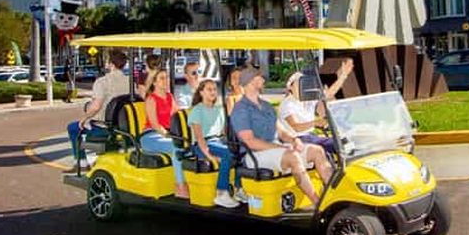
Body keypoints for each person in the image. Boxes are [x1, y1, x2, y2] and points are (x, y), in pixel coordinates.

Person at [231, 67, 332, 206]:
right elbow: (250, 142)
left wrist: (294, 140)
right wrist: (280, 147)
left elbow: (282, 132)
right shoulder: (240, 109)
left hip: (275, 149)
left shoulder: (266, 106)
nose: (263, 80)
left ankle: (333, 195)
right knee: (293, 156)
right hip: (253, 154)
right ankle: (319, 204)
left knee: (317, 151)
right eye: (259, 77)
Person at [66, 50, 129, 172]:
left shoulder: (102, 82)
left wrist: (84, 119)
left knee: (73, 128)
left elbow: (96, 106)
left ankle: (82, 163)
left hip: (104, 128)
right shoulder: (130, 82)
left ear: (111, 64)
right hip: (123, 127)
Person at [278, 58, 354, 155]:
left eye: (304, 85)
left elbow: (329, 93)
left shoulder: (308, 98)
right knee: (339, 145)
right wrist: (315, 123)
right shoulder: (287, 104)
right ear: (290, 87)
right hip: (296, 140)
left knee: (345, 141)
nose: (303, 88)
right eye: (299, 84)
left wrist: (343, 76)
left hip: (310, 136)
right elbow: (296, 127)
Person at [188, 79, 241, 208]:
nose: (213, 92)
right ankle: (221, 192)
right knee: (228, 153)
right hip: (202, 145)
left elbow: (223, 132)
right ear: (201, 92)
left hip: (217, 142)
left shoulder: (219, 110)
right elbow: (199, 138)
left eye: (214, 89)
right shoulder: (197, 110)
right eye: (209, 89)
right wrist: (209, 156)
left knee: (241, 150)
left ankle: (239, 189)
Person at [140, 69, 188, 198]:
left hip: (168, 134)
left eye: (166, 77)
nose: (165, 80)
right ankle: (180, 187)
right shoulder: (151, 99)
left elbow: (177, 115)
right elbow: (155, 124)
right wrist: (169, 135)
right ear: (154, 82)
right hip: (150, 136)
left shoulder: (169, 96)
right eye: (161, 78)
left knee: (189, 146)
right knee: (177, 148)